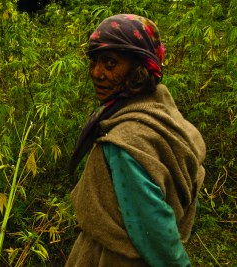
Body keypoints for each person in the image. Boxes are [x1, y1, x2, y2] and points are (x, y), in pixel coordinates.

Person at [66, 14, 206, 267]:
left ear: (139, 68)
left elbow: (155, 232)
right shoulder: (166, 115)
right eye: (94, 61)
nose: (97, 73)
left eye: (110, 63)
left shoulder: (126, 143)